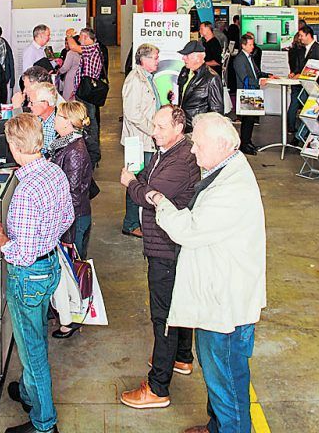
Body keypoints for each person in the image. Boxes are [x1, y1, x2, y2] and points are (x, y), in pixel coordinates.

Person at [145, 112, 266, 433]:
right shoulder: (225, 168)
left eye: (198, 144)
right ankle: (217, 427)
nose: (193, 150)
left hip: (225, 307)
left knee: (226, 381)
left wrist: (159, 201)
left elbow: (189, 230)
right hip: (219, 297)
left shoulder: (231, 189)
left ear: (222, 144)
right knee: (222, 377)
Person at [0, 113, 74, 433]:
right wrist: (46, 234)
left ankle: (44, 424)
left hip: (28, 276)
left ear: (14, 146)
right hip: (50, 267)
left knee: (33, 351)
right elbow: (68, 217)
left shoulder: (25, 192)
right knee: (35, 337)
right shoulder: (54, 171)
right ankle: (27, 392)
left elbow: (22, 254)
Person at [119, 105, 200, 410]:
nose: (154, 132)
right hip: (165, 243)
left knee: (162, 315)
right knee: (177, 304)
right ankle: (181, 357)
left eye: (161, 127)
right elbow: (149, 179)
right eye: (154, 126)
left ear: (179, 128)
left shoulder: (180, 161)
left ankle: (158, 387)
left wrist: (131, 183)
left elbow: (151, 196)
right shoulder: (168, 151)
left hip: (165, 247)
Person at [47, 101, 93, 339]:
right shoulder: (65, 144)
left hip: (74, 219)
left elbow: (73, 194)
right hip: (71, 218)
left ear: (68, 122)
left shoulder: (75, 151)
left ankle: (72, 318)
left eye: (58, 116)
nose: (54, 120)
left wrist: (63, 227)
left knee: (72, 271)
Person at [120, 43, 161, 238]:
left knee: (141, 181)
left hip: (145, 140)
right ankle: (130, 224)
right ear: (143, 59)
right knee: (134, 181)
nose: (157, 61)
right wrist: (153, 130)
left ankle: (137, 220)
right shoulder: (135, 80)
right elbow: (132, 113)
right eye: (155, 57)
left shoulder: (146, 77)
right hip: (137, 142)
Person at [287, 25, 319, 141]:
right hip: (305, 86)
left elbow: (316, 69)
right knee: (308, 113)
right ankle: (300, 136)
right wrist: (294, 73)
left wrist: (301, 75)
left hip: (315, 87)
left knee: (310, 113)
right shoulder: (302, 50)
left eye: (301, 35)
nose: (299, 38)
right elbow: (300, 66)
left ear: (308, 35)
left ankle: (300, 136)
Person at [67, 27, 104, 162]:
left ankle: (92, 151)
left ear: (86, 38)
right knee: (89, 119)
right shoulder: (95, 48)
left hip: (87, 92)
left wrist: (69, 35)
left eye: (80, 37)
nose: (78, 39)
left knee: (88, 121)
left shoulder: (91, 48)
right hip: (85, 90)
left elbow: (73, 46)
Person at [234, 34, 270, 156]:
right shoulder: (239, 59)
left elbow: (256, 72)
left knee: (251, 120)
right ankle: (244, 145)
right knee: (247, 120)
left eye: (252, 44)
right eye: (250, 44)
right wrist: (259, 82)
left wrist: (267, 75)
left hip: (253, 91)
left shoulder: (249, 57)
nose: (252, 47)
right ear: (243, 45)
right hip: (247, 92)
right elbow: (245, 78)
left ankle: (248, 142)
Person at [175, 40, 224, 133]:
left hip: (198, 130)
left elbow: (216, 112)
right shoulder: (185, 71)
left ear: (198, 58)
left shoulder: (211, 78)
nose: (183, 58)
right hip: (182, 127)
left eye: (187, 55)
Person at [28, 81, 59, 152]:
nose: (29, 105)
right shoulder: (34, 118)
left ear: (44, 104)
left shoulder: (59, 125)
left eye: (32, 102)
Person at [57, 34, 82, 101]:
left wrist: (58, 71)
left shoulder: (71, 53)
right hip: (80, 77)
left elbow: (65, 67)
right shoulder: (82, 52)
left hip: (71, 78)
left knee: (68, 98)